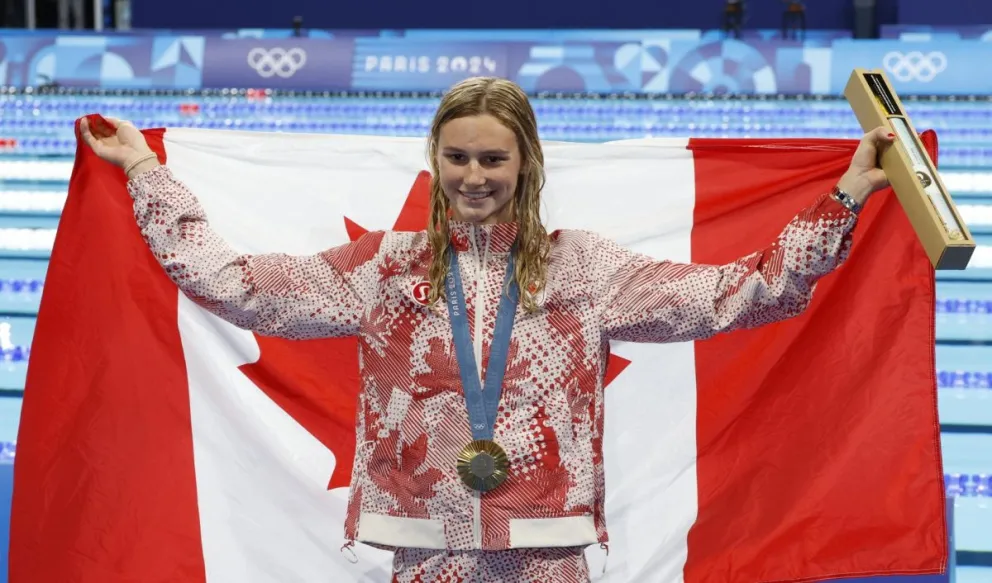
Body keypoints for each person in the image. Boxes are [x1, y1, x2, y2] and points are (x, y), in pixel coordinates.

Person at [79, 76, 895, 583]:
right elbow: (236, 286)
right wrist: (148, 174)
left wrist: (847, 197)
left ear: (525, 164)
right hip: (424, 548)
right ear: (435, 159)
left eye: (494, 159)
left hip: (548, 551)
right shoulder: (384, 269)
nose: (475, 176)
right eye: (460, 157)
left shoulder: (583, 269)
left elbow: (735, 293)